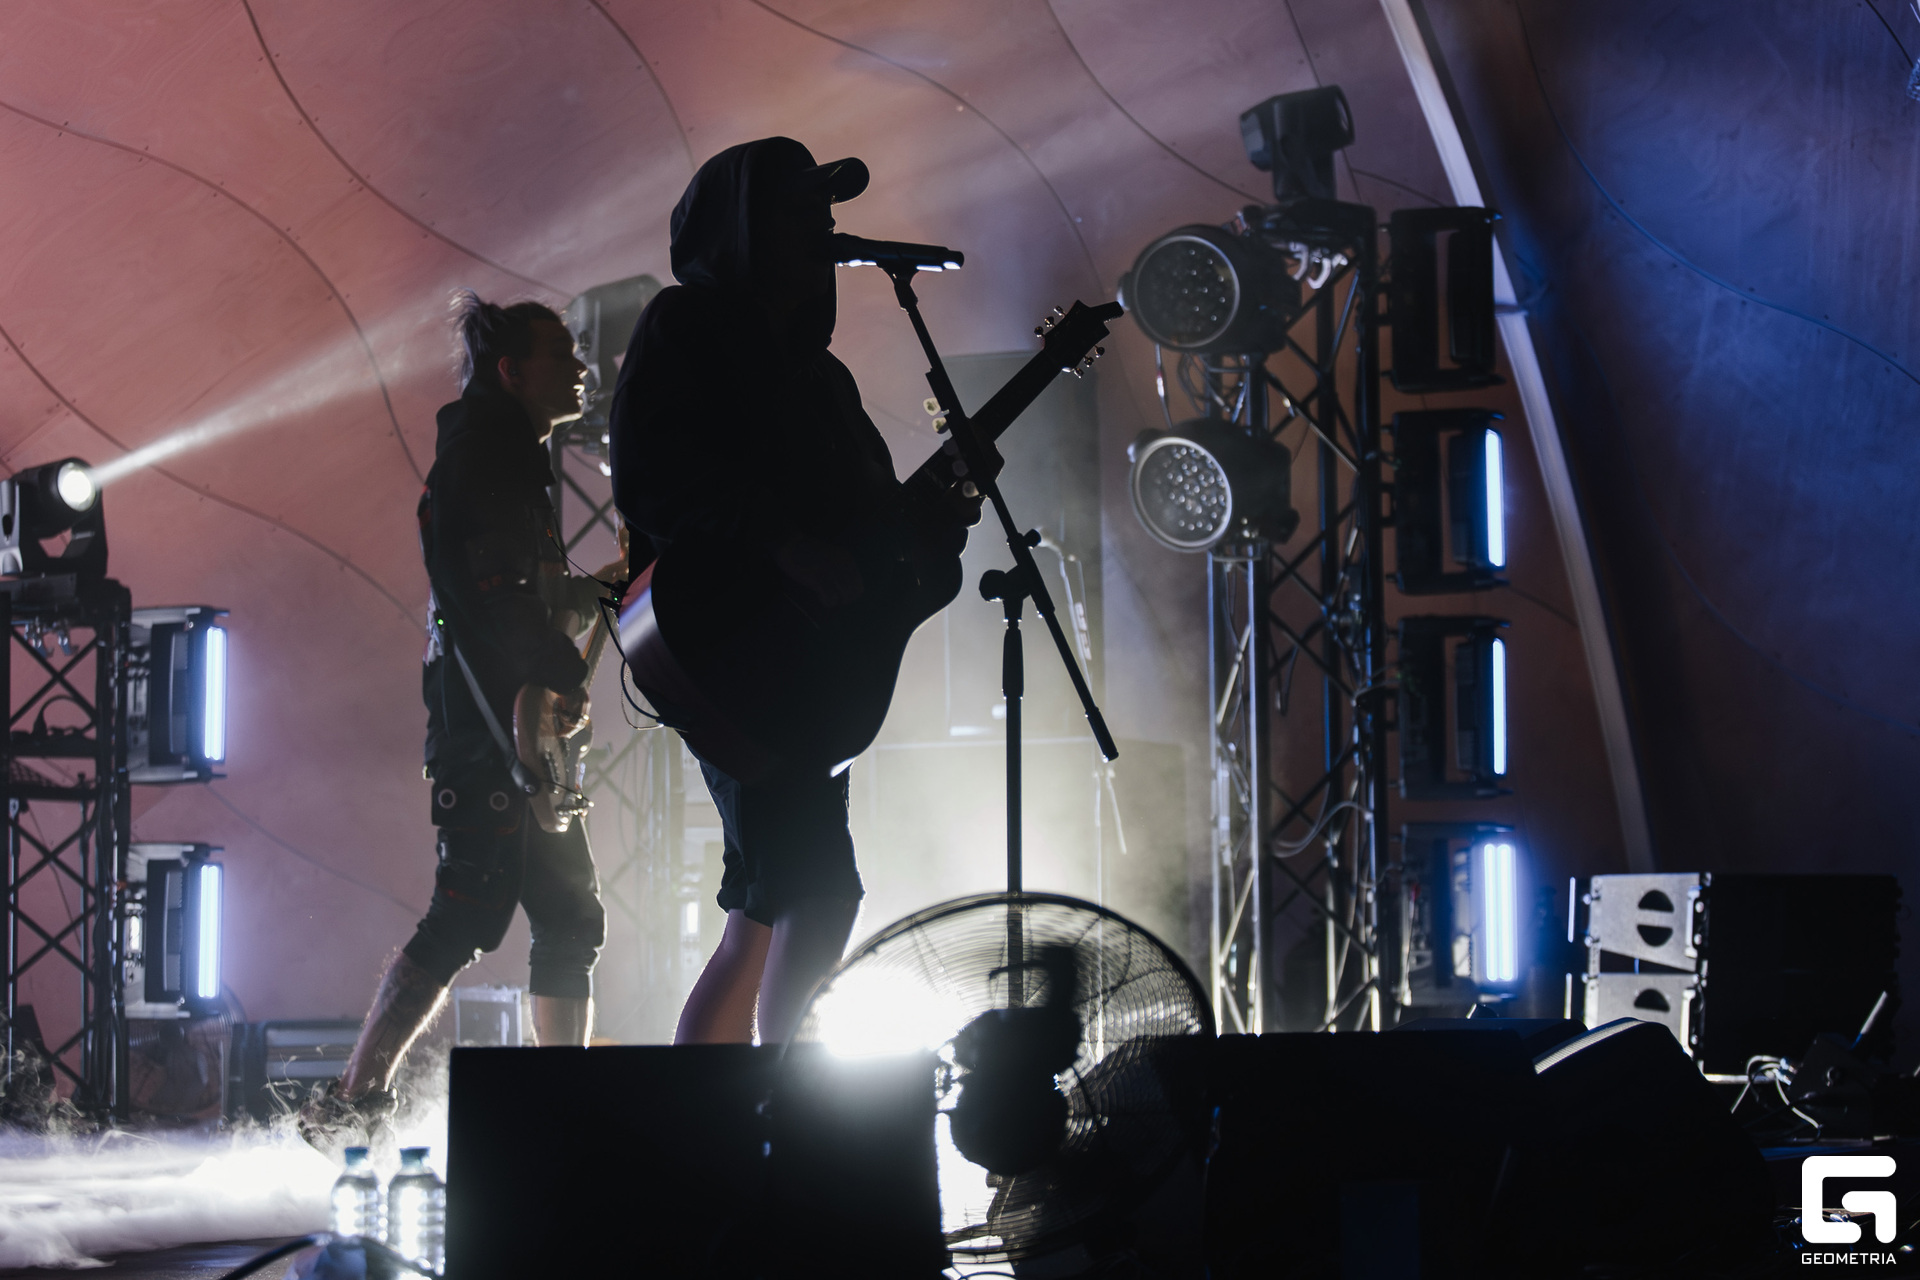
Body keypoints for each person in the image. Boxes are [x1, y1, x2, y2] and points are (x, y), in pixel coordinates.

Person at [609, 137, 971, 1045]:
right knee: (819, 890)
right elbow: (657, 476)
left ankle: (716, 1113)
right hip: (731, 652)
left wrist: (933, 532)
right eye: (798, 212)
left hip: (794, 672)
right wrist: (782, 544)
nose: (822, 228)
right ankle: (781, 1103)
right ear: (740, 229)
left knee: (762, 914)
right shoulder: (685, 328)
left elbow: (870, 536)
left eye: (826, 213)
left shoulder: (821, 378)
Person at [300, 293, 626, 1149]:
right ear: (511, 371)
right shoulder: (483, 457)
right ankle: (350, 1105)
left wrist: (604, 589)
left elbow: (528, 596)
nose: (580, 367)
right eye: (561, 353)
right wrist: (558, 670)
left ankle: (561, 1107)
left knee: (568, 914)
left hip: (515, 732)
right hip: (488, 736)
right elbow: (490, 597)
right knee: (468, 910)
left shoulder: (511, 456)